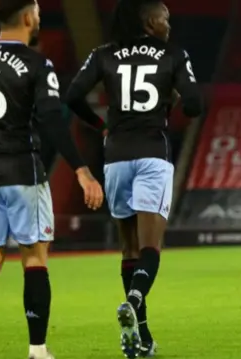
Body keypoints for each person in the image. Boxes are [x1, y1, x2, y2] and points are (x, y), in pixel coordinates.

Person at [64, 0, 203, 357]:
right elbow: (194, 104)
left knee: (128, 249)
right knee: (151, 248)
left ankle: (141, 335)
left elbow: (73, 95)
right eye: (165, 18)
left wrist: (101, 126)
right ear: (149, 21)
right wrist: (170, 101)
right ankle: (135, 298)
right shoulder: (173, 53)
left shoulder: (104, 53)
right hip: (152, 155)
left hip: (116, 159)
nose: (169, 24)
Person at [0, 1, 104, 358]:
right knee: (34, 258)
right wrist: (81, 169)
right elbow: (51, 119)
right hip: (22, 173)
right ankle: (37, 350)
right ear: (29, 17)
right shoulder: (37, 64)